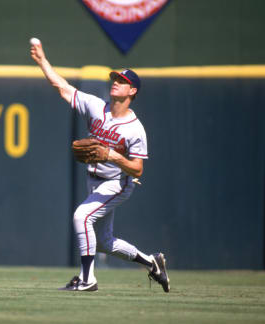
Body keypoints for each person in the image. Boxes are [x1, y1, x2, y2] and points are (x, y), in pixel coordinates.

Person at [30, 40, 170, 293]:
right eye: (115, 78)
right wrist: (42, 60)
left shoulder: (135, 130)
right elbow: (61, 87)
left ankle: (87, 280)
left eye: (122, 81)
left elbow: (137, 169)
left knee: (81, 217)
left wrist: (112, 155)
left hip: (118, 183)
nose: (115, 81)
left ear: (132, 92)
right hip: (94, 180)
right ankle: (152, 262)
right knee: (104, 242)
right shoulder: (97, 107)